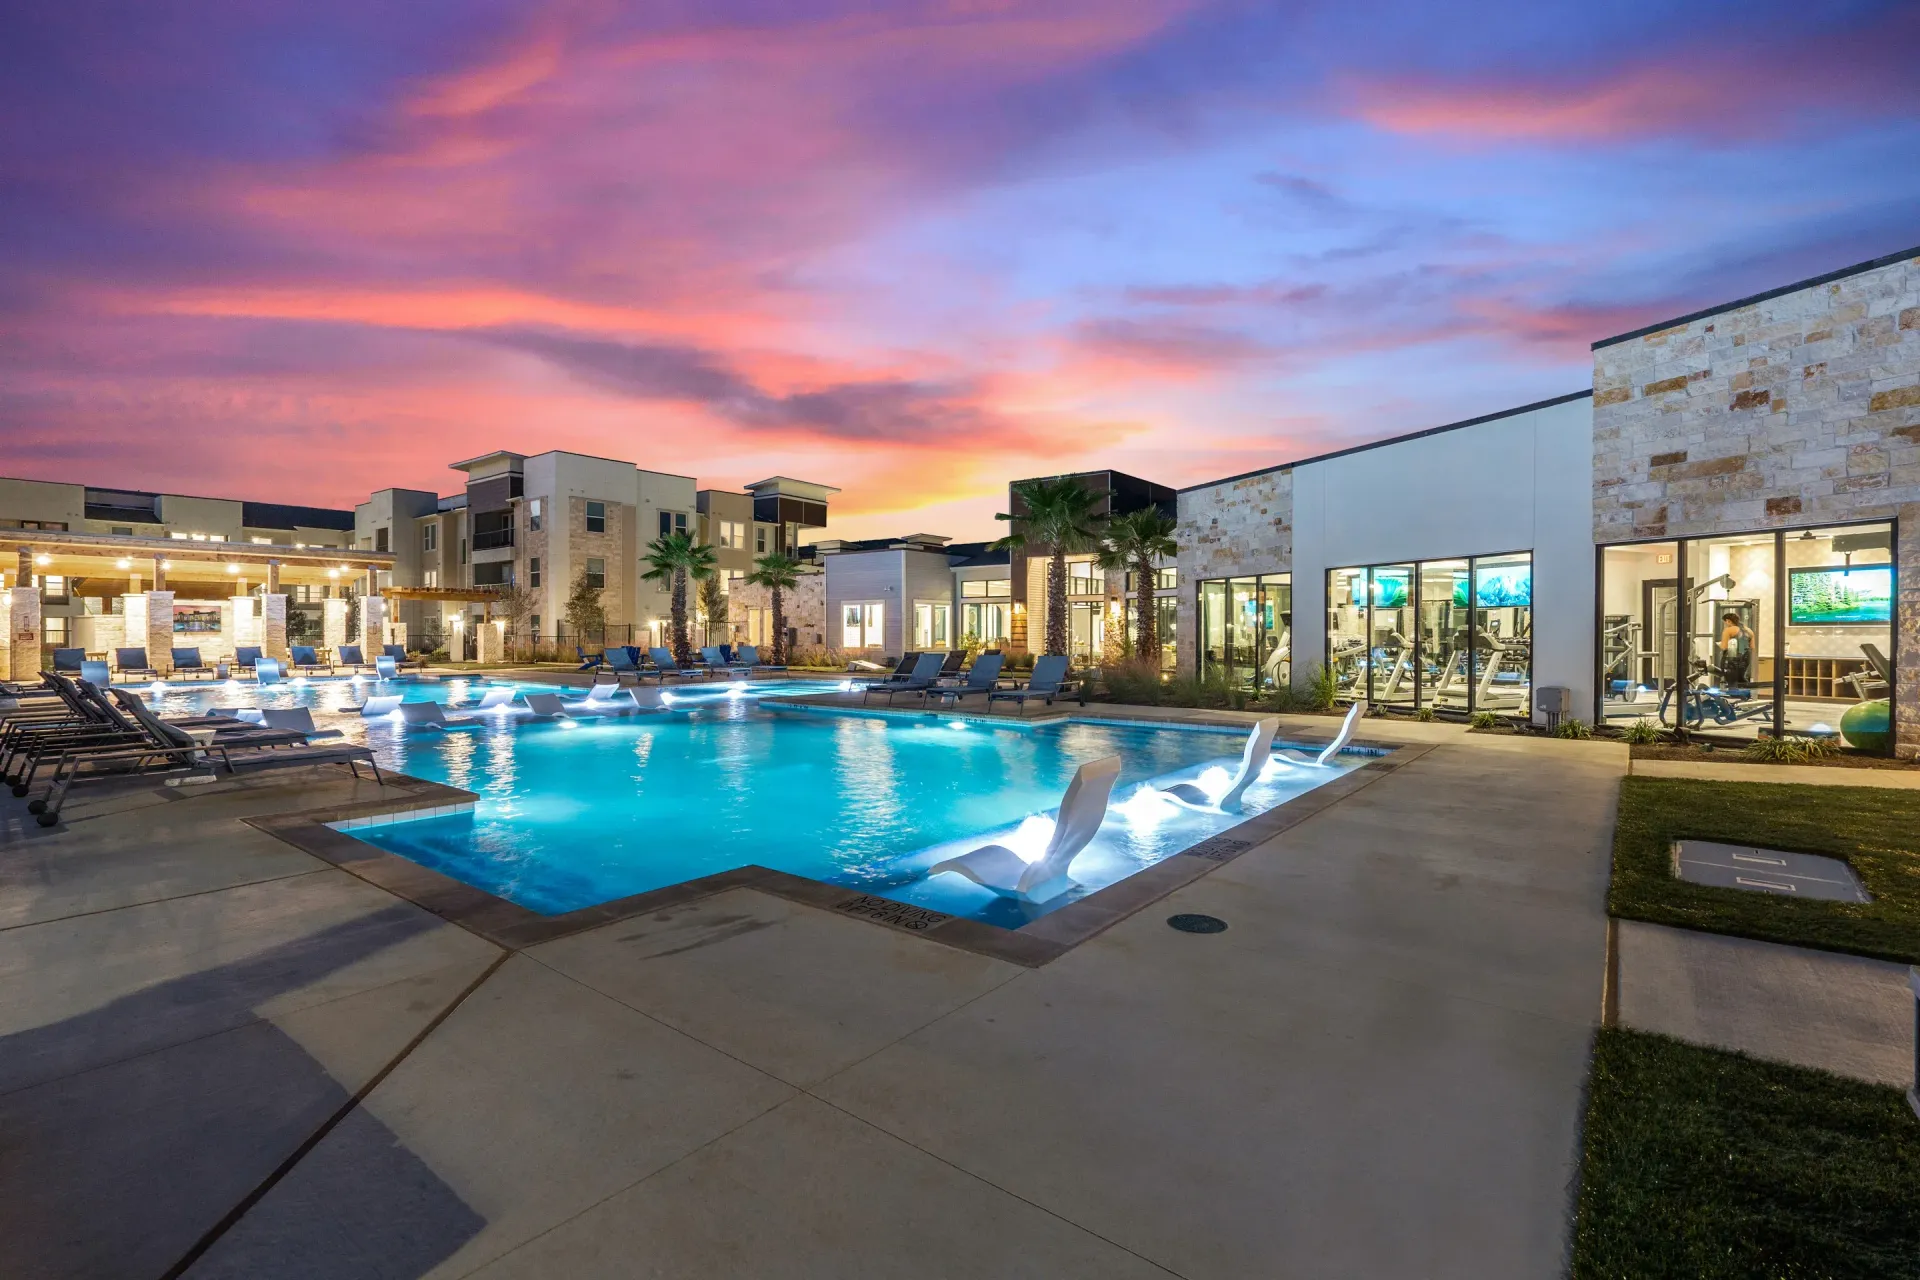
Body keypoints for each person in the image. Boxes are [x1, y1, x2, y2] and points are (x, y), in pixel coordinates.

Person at [1717, 611, 1754, 686]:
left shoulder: (1728, 630)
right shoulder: (1749, 631)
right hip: (1746, 659)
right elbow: (1752, 647)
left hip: (1732, 659)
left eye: (1725, 623)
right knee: (1741, 678)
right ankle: (1745, 694)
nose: (1725, 625)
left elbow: (1724, 647)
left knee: (1731, 681)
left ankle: (1735, 695)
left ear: (1728, 621)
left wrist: (1720, 644)